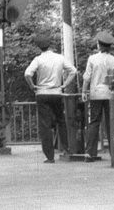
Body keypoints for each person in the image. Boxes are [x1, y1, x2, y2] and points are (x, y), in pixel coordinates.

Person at [24, 32, 77, 163]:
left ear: (38, 47)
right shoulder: (60, 58)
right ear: (50, 45)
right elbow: (74, 71)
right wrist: (65, 84)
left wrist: (33, 86)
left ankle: (50, 156)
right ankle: (66, 148)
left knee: (45, 125)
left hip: (42, 93)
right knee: (61, 120)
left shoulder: (38, 60)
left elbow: (27, 74)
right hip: (57, 92)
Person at [81, 31, 114, 162]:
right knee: (110, 123)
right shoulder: (113, 60)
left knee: (94, 122)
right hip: (109, 95)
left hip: (95, 94)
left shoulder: (92, 59)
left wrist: (84, 92)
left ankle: (90, 153)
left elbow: (87, 77)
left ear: (99, 45)